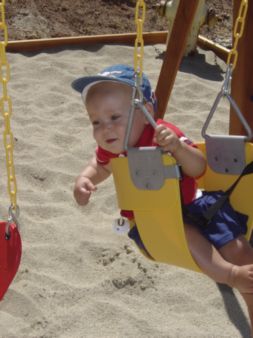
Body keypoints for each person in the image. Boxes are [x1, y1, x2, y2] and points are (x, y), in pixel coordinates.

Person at [72, 64, 253, 331]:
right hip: (155, 222)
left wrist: (178, 149)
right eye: (96, 121)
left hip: (197, 205)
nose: (105, 129)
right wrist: (84, 179)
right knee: (187, 236)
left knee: (242, 254)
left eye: (114, 117)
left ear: (146, 112)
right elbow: (99, 165)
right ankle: (229, 275)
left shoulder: (163, 135)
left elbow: (199, 168)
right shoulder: (111, 148)